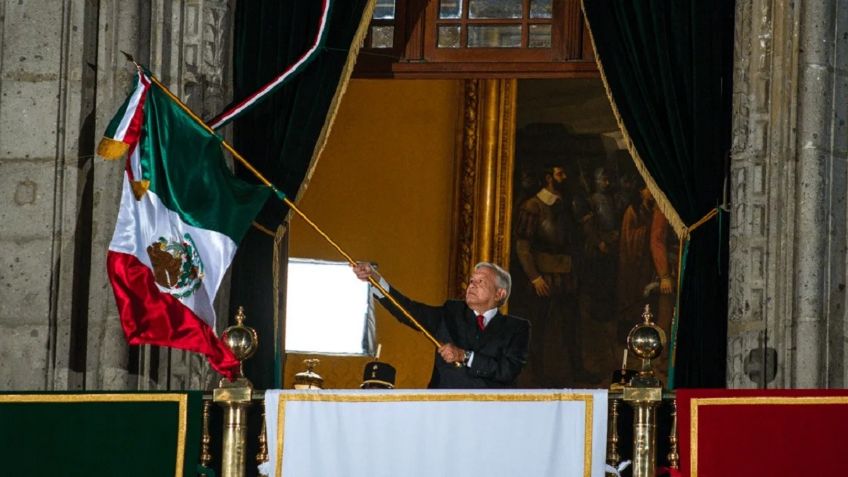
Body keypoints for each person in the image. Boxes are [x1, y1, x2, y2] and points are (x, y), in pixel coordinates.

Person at [352, 261, 530, 389]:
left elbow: (507, 371)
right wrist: (376, 281)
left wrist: (465, 356)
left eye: (480, 282)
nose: (472, 286)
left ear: (499, 293)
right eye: (471, 281)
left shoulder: (517, 329)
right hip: (443, 411)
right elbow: (408, 311)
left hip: (490, 415)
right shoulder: (451, 312)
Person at [512, 164, 582, 387]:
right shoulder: (532, 206)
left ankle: (577, 371)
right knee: (539, 328)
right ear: (547, 177)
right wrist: (534, 277)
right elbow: (523, 245)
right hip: (543, 278)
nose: (565, 177)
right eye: (560, 174)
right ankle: (537, 375)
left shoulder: (565, 204)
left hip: (566, 275)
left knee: (571, 325)